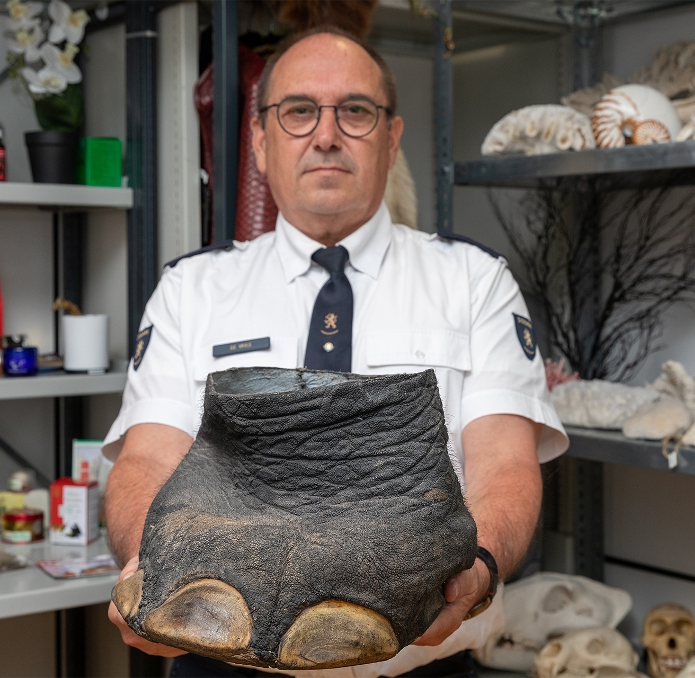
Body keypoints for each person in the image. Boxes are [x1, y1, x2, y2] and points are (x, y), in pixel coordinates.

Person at [102, 26, 568, 678]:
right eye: (298, 112)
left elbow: (505, 464)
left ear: (391, 138)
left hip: (422, 662)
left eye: (354, 111)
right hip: (222, 662)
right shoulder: (191, 290)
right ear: (260, 143)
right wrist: (146, 569)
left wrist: (480, 568)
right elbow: (148, 457)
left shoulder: (472, 281)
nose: (326, 135)